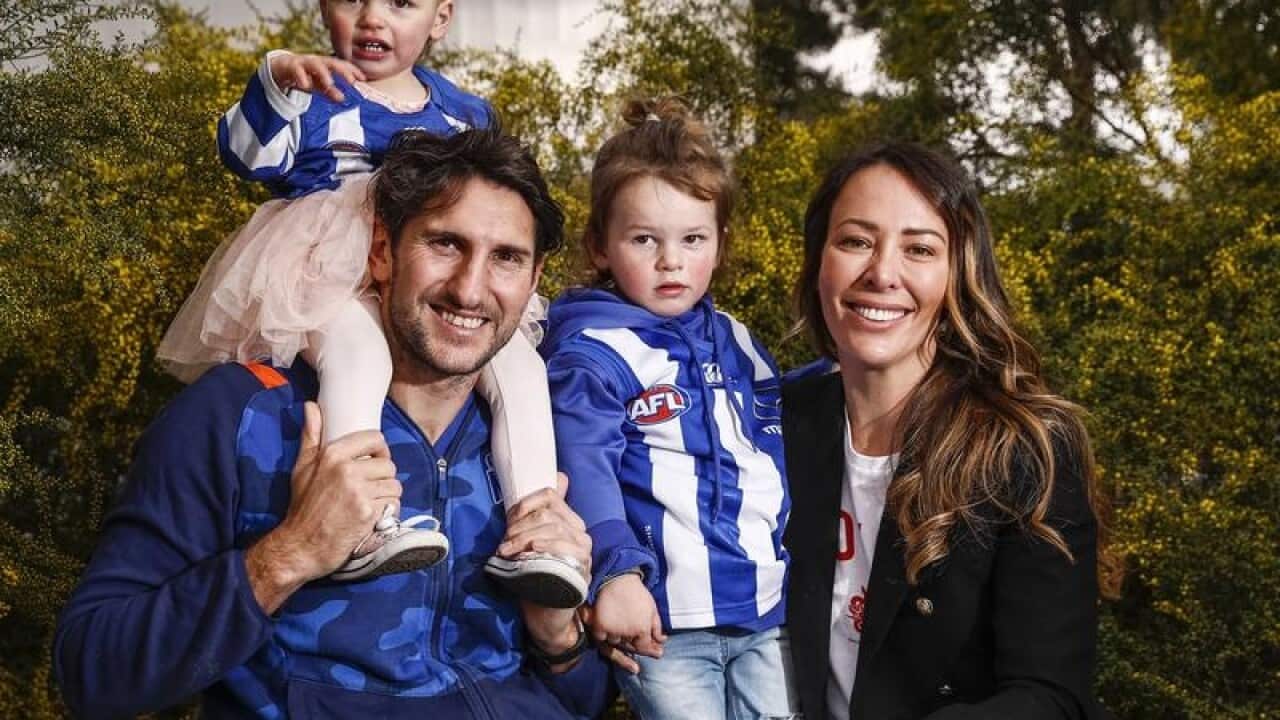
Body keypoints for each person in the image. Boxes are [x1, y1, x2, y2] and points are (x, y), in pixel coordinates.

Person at [53, 129, 611, 720]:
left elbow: (586, 700)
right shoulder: (242, 415)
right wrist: (289, 555)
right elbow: (92, 671)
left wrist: (557, 637)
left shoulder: (545, 443)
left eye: (506, 258)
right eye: (445, 244)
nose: (471, 289)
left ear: (532, 279)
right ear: (381, 251)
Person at [153, 0, 582, 603]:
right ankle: (363, 520)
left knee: (520, 367)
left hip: (424, 275)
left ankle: (538, 528)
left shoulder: (463, 111)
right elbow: (247, 156)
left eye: (402, 3)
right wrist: (275, 80)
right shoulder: (312, 91)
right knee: (359, 355)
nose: (374, 17)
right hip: (328, 271)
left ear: (441, 18)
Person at [782, 142, 1119, 719]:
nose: (882, 273)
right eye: (856, 241)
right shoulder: (768, 424)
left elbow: (1050, 696)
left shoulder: (1024, 446)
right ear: (819, 260)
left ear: (958, 273)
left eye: (919, 249)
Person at [541, 98, 798, 720]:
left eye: (692, 239)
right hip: (663, 623)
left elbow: (781, 431)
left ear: (720, 243)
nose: (670, 260)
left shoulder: (736, 338)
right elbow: (586, 468)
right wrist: (615, 576)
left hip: (766, 609)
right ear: (600, 246)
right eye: (643, 239)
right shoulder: (594, 350)